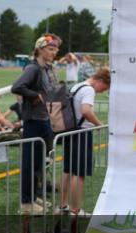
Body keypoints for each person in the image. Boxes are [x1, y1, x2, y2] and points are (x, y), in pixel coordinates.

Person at [11, 34, 61, 215]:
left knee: (40, 163)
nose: (54, 52)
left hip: (44, 119)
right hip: (33, 121)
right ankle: (26, 202)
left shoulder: (47, 68)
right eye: (50, 48)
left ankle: (33, 196)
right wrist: (35, 96)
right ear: (39, 49)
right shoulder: (33, 68)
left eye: (56, 49)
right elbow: (17, 87)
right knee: (30, 163)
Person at [58, 67, 110, 215]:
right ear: (100, 81)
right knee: (79, 174)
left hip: (70, 131)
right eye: (105, 87)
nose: (104, 91)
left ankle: (62, 206)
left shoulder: (76, 86)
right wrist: (99, 124)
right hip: (81, 133)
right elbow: (86, 111)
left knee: (67, 170)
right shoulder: (89, 90)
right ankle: (76, 210)